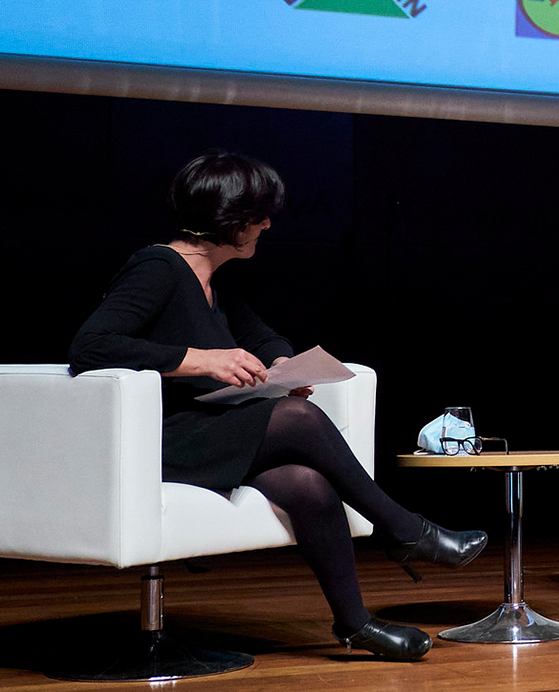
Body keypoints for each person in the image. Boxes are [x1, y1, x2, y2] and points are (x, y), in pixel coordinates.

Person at [69, 151, 488, 660]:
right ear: (228, 218)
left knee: (306, 483)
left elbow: (264, 337)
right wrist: (202, 359)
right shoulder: (157, 268)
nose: (267, 224)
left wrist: (283, 366)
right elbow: (91, 346)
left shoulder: (211, 282)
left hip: (202, 433)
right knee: (298, 418)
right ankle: (406, 531)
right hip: (160, 439)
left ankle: (355, 624)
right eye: (259, 215)